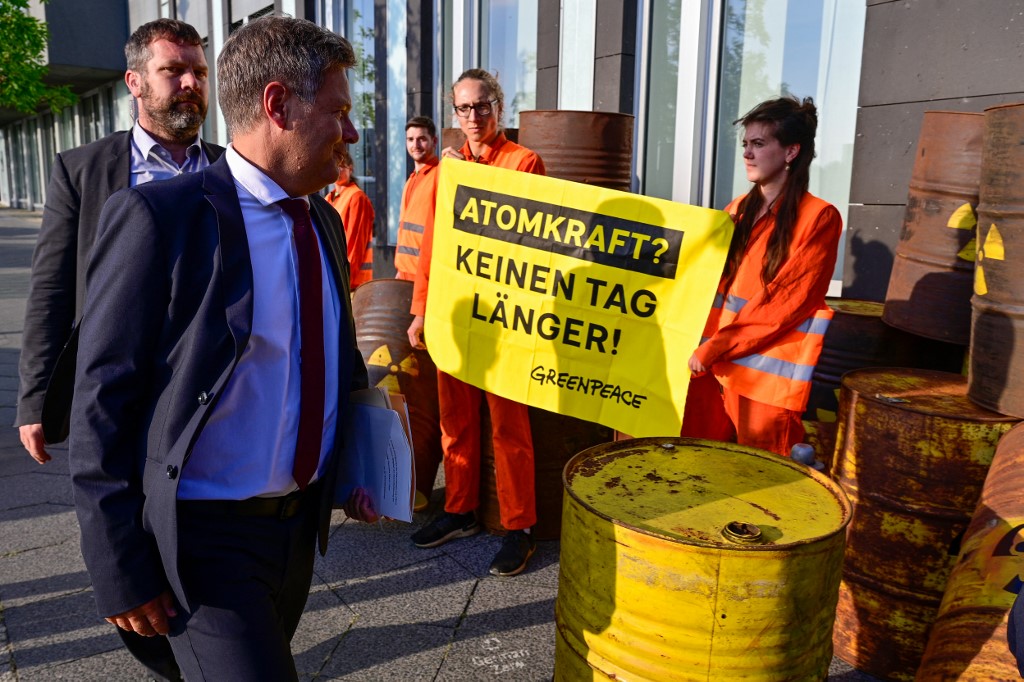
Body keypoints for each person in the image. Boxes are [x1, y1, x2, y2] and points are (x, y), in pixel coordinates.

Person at [68, 16, 372, 679]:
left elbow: (333, 358)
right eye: (338, 112)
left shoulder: (319, 217)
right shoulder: (160, 219)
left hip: (295, 536)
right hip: (203, 545)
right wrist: (118, 562)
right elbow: (102, 399)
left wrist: (365, 462)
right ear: (277, 105)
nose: (350, 133)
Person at [14, 18, 221, 681]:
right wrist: (34, 398)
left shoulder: (228, 171)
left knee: (199, 544)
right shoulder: (83, 170)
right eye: (174, 71)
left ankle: (214, 646)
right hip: (116, 393)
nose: (192, 84)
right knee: (123, 538)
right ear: (135, 82)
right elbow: (51, 291)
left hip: (201, 396)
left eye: (199, 71)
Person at [406, 69, 546, 577]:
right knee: (455, 418)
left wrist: (467, 173)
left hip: (504, 317)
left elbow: (529, 239)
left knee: (510, 426)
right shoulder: (448, 170)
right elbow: (432, 248)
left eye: (481, 106)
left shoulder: (523, 162)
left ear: (499, 108)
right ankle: (460, 509)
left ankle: (520, 527)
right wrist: (421, 310)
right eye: (463, 108)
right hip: (454, 312)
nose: (472, 117)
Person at [681, 96, 841, 457]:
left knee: (765, 490)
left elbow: (784, 303)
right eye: (745, 145)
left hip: (764, 382)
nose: (747, 154)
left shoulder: (818, 217)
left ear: (790, 152)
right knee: (699, 473)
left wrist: (714, 348)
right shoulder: (737, 209)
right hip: (712, 370)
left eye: (759, 144)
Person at [394, 115, 439, 280]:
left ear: (434, 141)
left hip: (427, 275)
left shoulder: (439, 176)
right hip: (405, 273)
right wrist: (400, 269)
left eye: (422, 139)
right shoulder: (412, 179)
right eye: (410, 139)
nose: (415, 145)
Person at [326, 150, 374, 288]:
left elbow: (355, 244)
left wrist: (345, 279)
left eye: (342, 166)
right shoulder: (330, 198)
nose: (338, 169)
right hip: (336, 277)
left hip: (353, 283)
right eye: (335, 165)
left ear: (350, 169)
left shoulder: (356, 197)